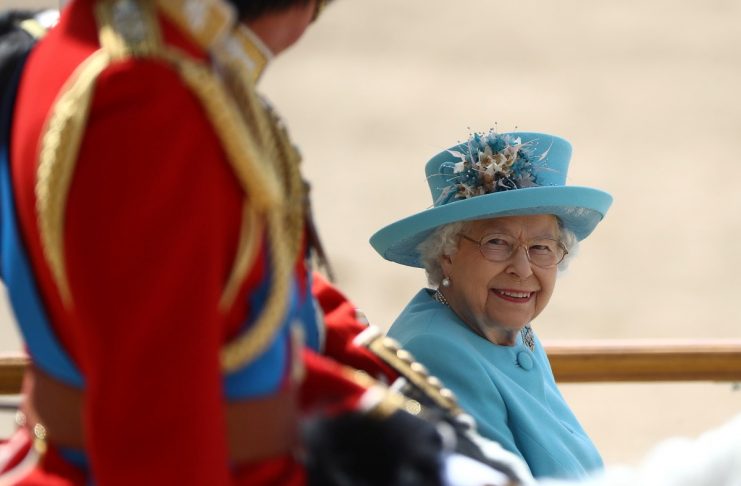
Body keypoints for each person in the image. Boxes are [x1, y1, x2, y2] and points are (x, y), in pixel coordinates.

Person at [0, 0, 538, 484]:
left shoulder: (106, 48)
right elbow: (157, 433)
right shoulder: (147, 101)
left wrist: (388, 412)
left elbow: (256, 306)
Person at [371, 130, 613, 480]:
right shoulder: (436, 353)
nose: (523, 269)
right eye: (497, 242)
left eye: (542, 247)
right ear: (447, 253)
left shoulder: (504, 327)